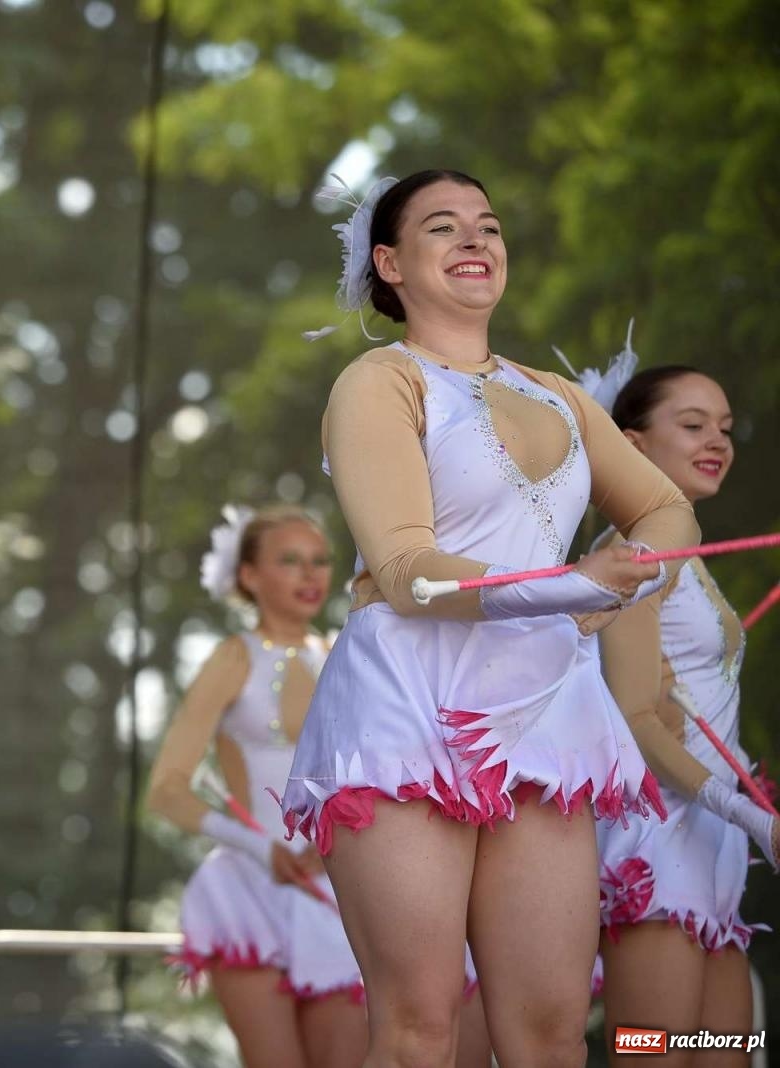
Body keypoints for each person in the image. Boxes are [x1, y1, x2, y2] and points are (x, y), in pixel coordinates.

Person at [280, 169, 699, 1067]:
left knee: (551, 1035)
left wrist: (618, 589)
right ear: (390, 263)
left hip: (545, 706)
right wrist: (574, 589)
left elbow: (667, 512)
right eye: (444, 228)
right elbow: (404, 572)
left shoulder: (558, 393)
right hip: (410, 701)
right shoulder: (380, 381)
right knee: (419, 1028)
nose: (476, 241)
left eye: (489, 226)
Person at [589, 362, 775, 1063]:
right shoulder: (631, 556)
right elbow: (636, 718)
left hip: (716, 849)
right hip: (659, 846)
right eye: (692, 425)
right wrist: (756, 818)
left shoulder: (688, 558)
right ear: (633, 447)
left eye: (724, 428)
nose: (718, 441)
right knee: (652, 1053)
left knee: (725, 1053)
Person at [147, 504, 366, 1067]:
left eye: (319, 561)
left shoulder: (344, 656)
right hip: (248, 888)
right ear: (248, 576)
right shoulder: (232, 658)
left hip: (334, 890)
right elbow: (167, 789)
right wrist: (258, 847)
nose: (310, 575)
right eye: (289, 561)